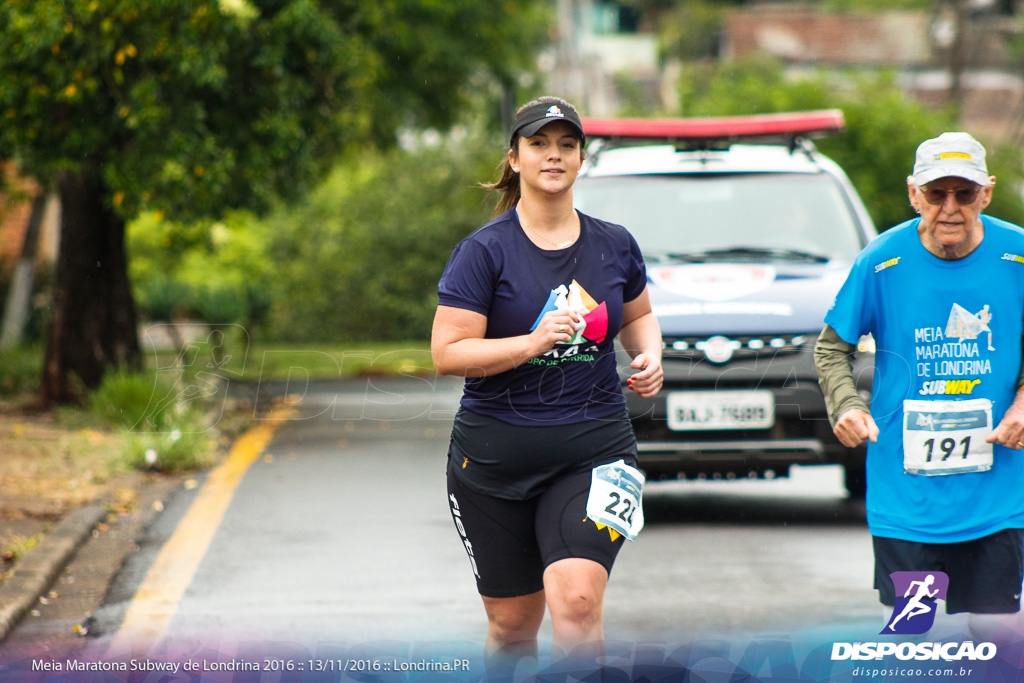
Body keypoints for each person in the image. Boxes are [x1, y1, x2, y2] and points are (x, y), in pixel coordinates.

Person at [431, 96, 663, 676]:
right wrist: (531, 343)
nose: (553, 156)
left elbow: (636, 317)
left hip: (595, 452)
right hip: (491, 464)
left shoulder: (614, 244)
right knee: (512, 628)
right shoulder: (483, 252)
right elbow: (448, 353)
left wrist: (650, 355)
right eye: (538, 144)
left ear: (582, 158)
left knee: (578, 604)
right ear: (514, 158)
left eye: (566, 145)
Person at [815, 131, 1024, 636]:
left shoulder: (1018, 256)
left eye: (965, 193)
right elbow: (831, 348)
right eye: (936, 194)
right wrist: (846, 404)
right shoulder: (882, 261)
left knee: (996, 639)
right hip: (906, 500)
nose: (950, 208)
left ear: (987, 193)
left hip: (996, 499)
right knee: (915, 634)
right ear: (914, 194)